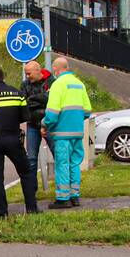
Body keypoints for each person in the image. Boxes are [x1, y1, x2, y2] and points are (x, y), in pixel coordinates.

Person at [0, 67, 38, 217]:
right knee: (26, 173)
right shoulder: (16, 93)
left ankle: (2, 213)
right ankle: (31, 208)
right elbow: (25, 116)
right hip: (13, 138)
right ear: (3, 78)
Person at [42, 56, 92, 209]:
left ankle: (63, 198)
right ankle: (74, 196)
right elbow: (87, 111)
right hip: (77, 132)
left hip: (62, 134)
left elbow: (52, 113)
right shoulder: (79, 84)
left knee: (62, 164)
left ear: (55, 69)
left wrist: (44, 124)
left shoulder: (57, 84)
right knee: (74, 164)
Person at [20, 60, 53, 190]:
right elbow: (24, 103)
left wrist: (33, 99)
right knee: (31, 158)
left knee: (57, 154)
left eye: (29, 73)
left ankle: (62, 188)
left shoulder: (51, 81)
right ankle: (31, 190)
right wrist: (41, 99)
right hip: (32, 124)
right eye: (26, 74)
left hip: (49, 123)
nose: (27, 76)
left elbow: (51, 100)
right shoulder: (25, 84)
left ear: (38, 71)